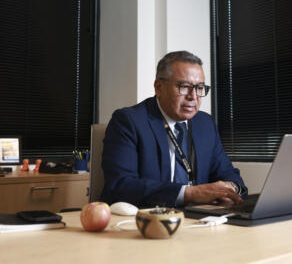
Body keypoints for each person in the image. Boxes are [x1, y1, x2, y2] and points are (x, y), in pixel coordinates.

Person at [101, 50, 247, 207]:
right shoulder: (129, 121)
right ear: (159, 87)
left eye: (199, 88)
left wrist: (231, 189)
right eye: (184, 86)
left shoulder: (205, 124)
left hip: (197, 219)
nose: (193, 96)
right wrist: (189, 194)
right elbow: (122, 185)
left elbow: (227, 173)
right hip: (143, 218)